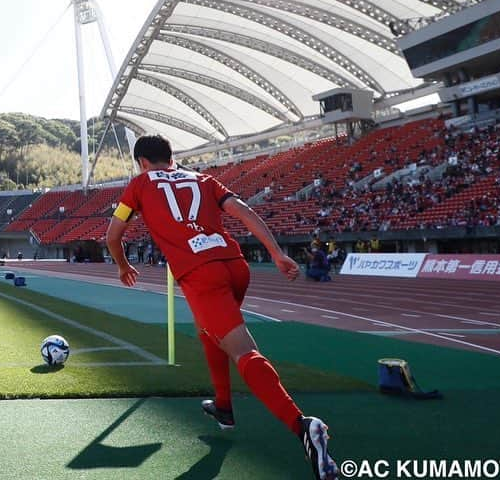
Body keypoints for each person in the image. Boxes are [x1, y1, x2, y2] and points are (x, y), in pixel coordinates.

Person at [106, 135, 337, 480]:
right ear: (171, 158)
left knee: (242, 350)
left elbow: (113, 234)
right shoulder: (203, 179)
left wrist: (123, 265)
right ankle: (224, 407)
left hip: (202, 274)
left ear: (141, 161)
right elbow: (244, 211)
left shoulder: (139, 184)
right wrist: (275, 253)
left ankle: (302, 426)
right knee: (209, 331)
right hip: (234, 265)